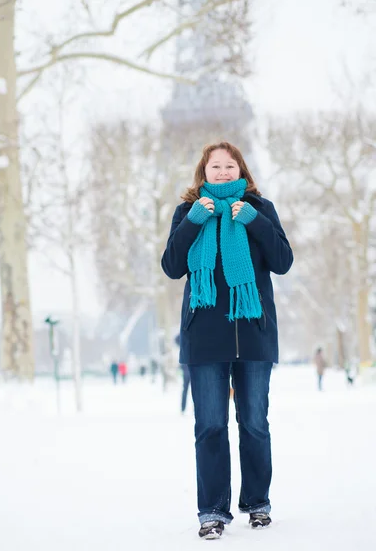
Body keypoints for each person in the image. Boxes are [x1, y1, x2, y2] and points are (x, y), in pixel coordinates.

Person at [161, 141, 293, 539]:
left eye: (229, 166)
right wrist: (193, 223)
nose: (222, 172)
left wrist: (254, 220)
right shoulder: (188, 212)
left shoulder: (260, 209)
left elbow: (283, 262)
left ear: (241, 170)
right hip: (204, 338)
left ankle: (257, 503)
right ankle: (212, 512)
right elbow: (171, 267)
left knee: (254, 423)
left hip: (253, 334)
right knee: (210, 426)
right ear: (204, 172)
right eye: (215, 166)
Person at [175, 333, 191, 413]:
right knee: (187, 389)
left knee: (189, 389)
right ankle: (183, 408)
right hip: (187, 368)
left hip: (189, 368)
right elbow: (176, 339)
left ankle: (184, 408)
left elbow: (176, 339)